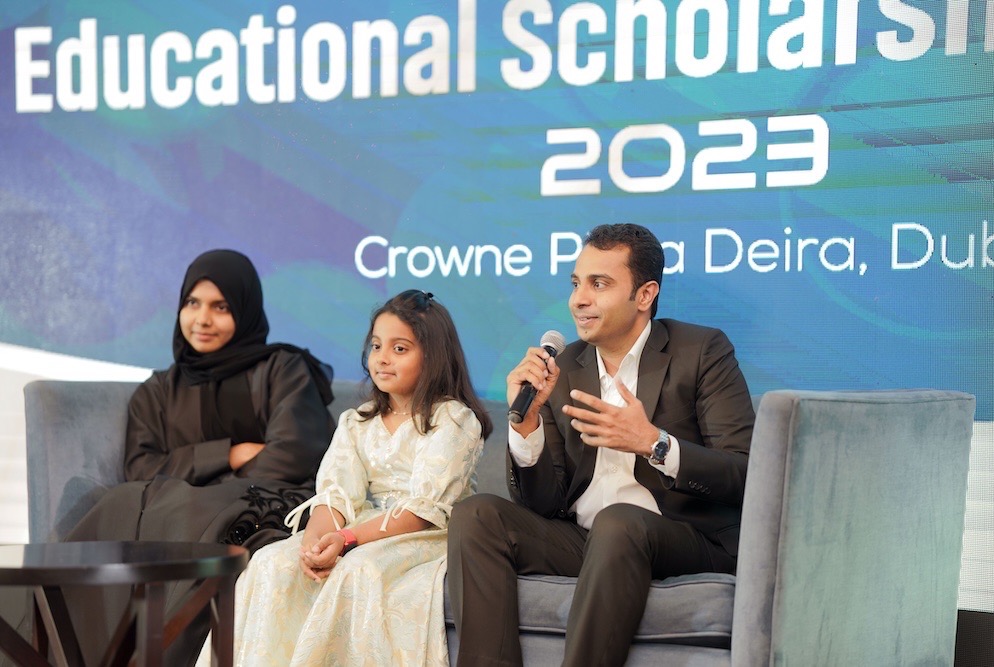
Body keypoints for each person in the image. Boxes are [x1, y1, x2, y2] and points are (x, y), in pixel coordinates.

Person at [447, 223, 756, 666]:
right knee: (477, 515)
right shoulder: (563, 366)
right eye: (576, 283)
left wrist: (654, 443)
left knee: (619, 521)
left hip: (680, 537)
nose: (578, 299)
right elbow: (543, 505)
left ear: (644, 295)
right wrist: (528, 428)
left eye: (599, 284)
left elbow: (744, 472)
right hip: (588, 540)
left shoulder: (702, 350)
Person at [65, 249, 337, 665]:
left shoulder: (283, 369)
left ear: (244, 311)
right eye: (192, 303)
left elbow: (294, 455)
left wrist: (203, 485)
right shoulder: (158, 391)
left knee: (175, 511)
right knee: (120, 502)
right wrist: (228, 454)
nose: (202, 319)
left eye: (220, 307)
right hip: (179, 515)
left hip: (265, 510)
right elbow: (140, 468)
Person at [196, 289, 493, 667]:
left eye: (400, 349)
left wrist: (347, 539)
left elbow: (423, 511)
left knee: (358, 569)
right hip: (360, 527)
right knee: (273, 561)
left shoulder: (453, 419)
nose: (382, 358)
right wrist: (315, 543)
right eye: (376, 346)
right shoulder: (357, 422)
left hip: (426, 533)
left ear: (433, 357)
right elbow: (335, 494)